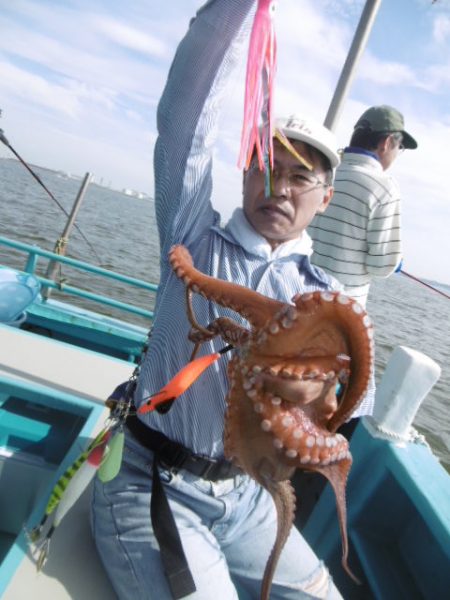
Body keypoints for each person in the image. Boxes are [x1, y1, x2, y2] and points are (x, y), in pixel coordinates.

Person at [91, 2, 370, 598]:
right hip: (156, 480)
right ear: (244, 175)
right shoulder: (192, 236)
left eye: (301, 177)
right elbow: (183, 118)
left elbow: (351, 404)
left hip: (250, 496)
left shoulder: (325, 293)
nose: (279, 186)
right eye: (265, 166)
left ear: (325, 198)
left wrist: (323, 394)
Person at [308, 105, 418, 307]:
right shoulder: (384, 188)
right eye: (399, 148)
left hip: (294, 295)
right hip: (338, 311)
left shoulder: (324, 170)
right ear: (386, 143)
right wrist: (395, 262)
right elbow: (382, 265)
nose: (396, 155)